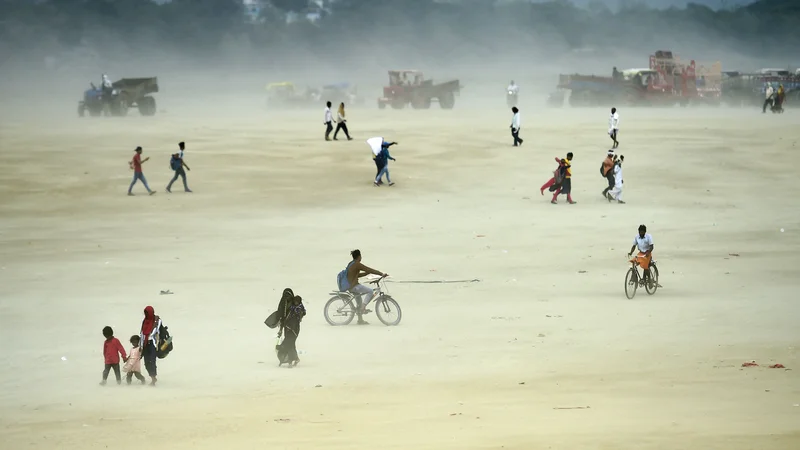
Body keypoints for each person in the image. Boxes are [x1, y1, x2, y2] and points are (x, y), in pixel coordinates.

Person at [340, 249, 388, 325]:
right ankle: (363, 307)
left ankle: (360, 320)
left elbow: (355, 275)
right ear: (359, 256)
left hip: (351, 286)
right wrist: (381, 274)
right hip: (354, 286)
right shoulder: (357, 264)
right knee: (370, 291)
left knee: (359, 302)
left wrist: (366, 274)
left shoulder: (351, 263)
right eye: (360, 256)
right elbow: (369, 269)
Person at [277, 293, 306, 367]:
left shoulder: (298, 309)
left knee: (289, 344)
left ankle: (290, 361)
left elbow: (297, 317)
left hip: (293, 330)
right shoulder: (291, 308)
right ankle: (295, 359)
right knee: (291, 345)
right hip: (289, 329)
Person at [139, 306, 161, 386]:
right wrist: (140, 346)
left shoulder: (157, 320)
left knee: (152, 361)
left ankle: (153, 378)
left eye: (147, 312)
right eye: (145, 313)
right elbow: (141, 333)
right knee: (146, 362)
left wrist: (149, 334)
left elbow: (156, 330)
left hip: (153, 344)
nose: (146, 314)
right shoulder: (144, 321)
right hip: (145, 344)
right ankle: (152, 376)